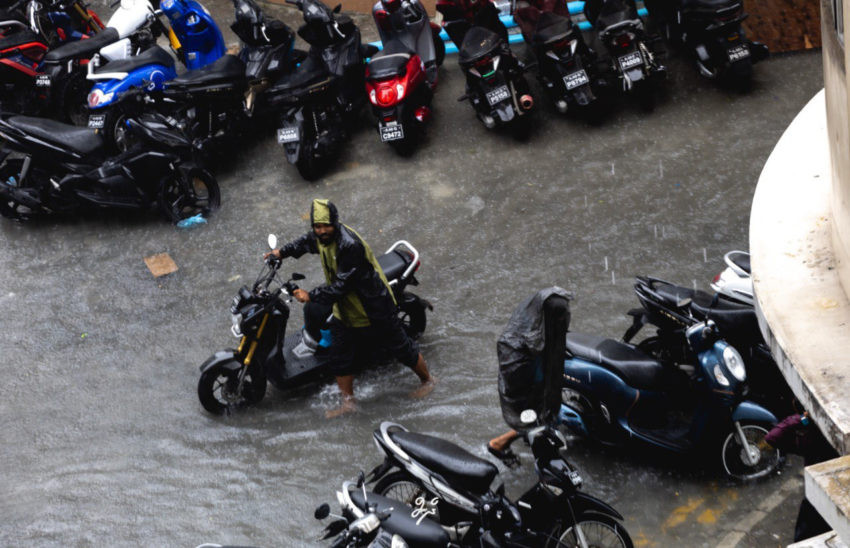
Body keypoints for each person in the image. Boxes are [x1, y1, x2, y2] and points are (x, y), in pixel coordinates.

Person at [264, 199, 436, 418]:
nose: (322, 230)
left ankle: (428, 381)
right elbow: (304, 243)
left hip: (373, 305)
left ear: (335, 223)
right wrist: (281, 252)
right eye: (317, 226)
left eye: (326, 225)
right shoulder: (321, 238)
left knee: (400, 346)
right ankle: (349, 403)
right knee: (340, 355)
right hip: (346, 307)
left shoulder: (349, 245)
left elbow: (341, 286)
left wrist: (310, 295)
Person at [765, 410, 839, 542]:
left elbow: (773, 437)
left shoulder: (810, 438)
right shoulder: (816, 438)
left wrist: (803, 418)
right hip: (827, 501)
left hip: (816, 501)